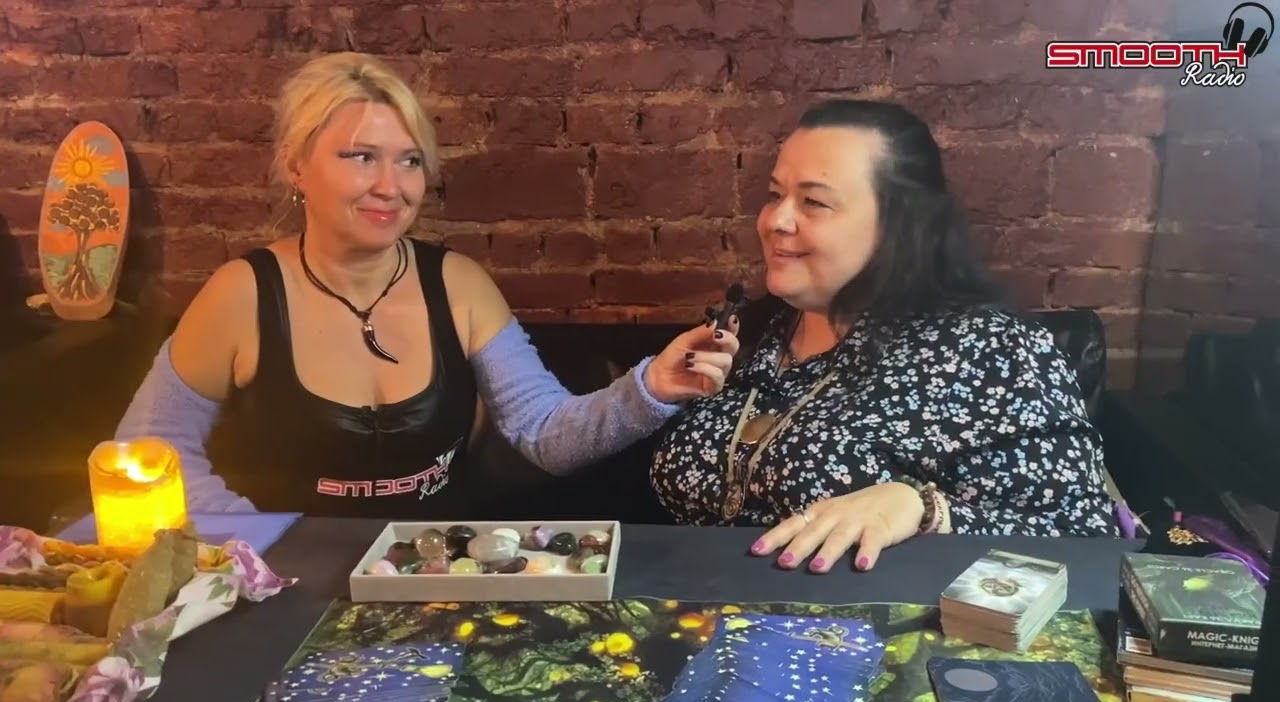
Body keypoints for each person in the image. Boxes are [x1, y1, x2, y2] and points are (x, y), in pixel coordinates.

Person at [113, 52, 738, 519]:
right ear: (296, 165)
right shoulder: (241, 295)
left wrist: (651, 388)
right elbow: (149, 447)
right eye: (361, 157)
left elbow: (543, 432)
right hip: (285, 595)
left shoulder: (458, 285)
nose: (392, 187)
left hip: (434, 581)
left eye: (409, 160)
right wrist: (257, 542)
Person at [649, 99, 1121, 572]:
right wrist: (649, 393)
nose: (775, 220)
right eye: (775, 195)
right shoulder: (749, 337)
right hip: (680, 608)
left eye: (814, 202)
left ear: (900, 225)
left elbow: (1085, 543)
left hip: (860, 617)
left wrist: (924, 509)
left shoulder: (990, 352)